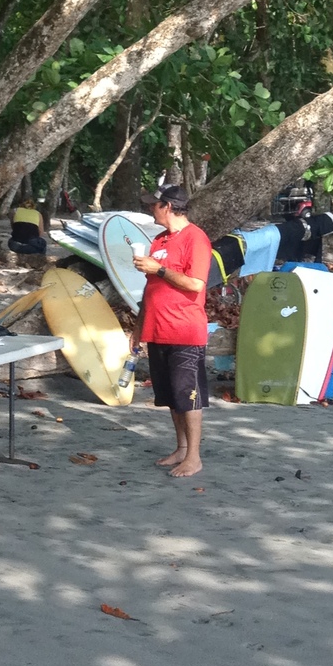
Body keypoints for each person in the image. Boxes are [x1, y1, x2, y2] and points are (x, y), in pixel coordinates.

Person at [130, 181, 215, 478]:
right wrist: (138, 327)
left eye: (154, 204)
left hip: (184, 329)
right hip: (157, 327)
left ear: (167, 206)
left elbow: (196, 284)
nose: (150, 209)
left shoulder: (196, 238)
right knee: (169, 395)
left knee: (187, 395)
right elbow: (150, 288)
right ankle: (180, 447)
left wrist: (160, 269)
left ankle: (194, 456)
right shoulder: (159, 241)